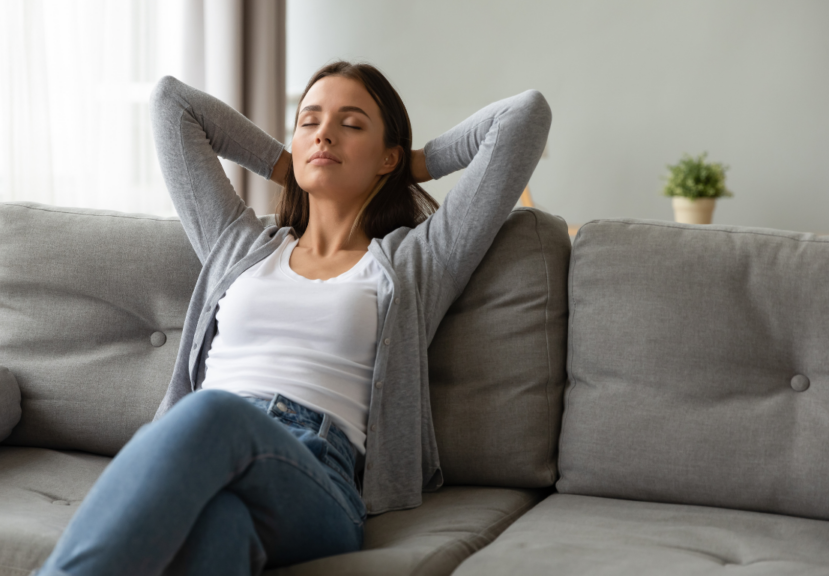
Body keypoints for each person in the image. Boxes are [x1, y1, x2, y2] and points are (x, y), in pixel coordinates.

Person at [33, 60, 551, 576]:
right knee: (222, 527)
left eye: (351, 125)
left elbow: (523, 117)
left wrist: (412, 165)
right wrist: (288, 163)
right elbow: (172, 103)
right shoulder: (238, 245)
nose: (324, 134)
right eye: (309, 122)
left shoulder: (417, 261)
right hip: (209, 453)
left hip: (316, 472)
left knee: (213, 412)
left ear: (387, 155)